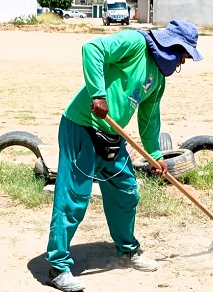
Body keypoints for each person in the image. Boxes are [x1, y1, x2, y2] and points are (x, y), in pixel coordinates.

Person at [46, 20, 203, 291]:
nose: (182, 63)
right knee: (74, 197)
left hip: (112, 134)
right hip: (82, 125)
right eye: (183, 56)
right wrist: (98, 93)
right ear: (171, 46)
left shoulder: (158, 81)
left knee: (127, 191)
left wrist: (155, 155)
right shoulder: (134, 42)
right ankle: (57, 267)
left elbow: (150, 117)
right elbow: (92, 48)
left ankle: (127, 250)